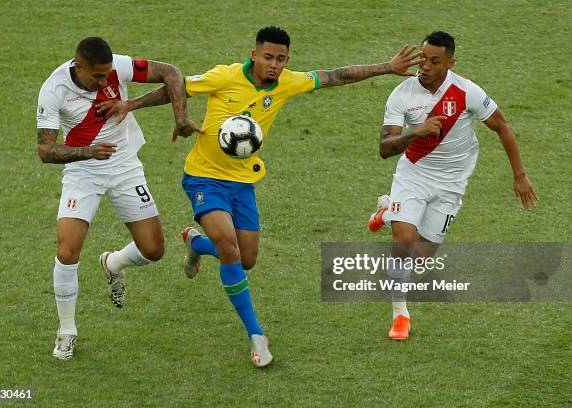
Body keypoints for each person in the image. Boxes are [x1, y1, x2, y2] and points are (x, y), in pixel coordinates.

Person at [97, 26, 420, 367]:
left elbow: (335, 76)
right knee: (230, 248)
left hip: (243, 183)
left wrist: (387, 66)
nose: (274, 65)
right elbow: (177, 87)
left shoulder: (287, 83)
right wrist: (132, 104)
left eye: (281, 59)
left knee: (245, 259)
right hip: (204, 179)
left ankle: (197, 245)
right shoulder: (225, 76)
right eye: (268, 57)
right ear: (254, 55)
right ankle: (256, 335)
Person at [367, 31, 538, 340]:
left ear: (450, 63)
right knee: (403, 241)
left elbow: (502, 126)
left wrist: (519, 175)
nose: (426, 66)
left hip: (451, 184)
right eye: (423, 58)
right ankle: (400, 315)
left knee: (422, 256)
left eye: (435, 61)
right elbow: (384, 148)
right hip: (414, 174)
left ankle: (386, 210)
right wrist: (415, 133)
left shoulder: (466, 91)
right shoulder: (402, 94)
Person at [36, 37, 199, 360]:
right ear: (78, 66)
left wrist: (180, 118)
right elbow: (45, 150)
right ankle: (66, 330)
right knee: (67, 250)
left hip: (125, 166)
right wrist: (87, 152)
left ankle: (113, 263)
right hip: (83, 171)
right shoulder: (53, 90)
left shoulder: (116, 67)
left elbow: (172, 73)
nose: (105, 82)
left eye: (108, 75)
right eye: (97, 77)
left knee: (154, 250)